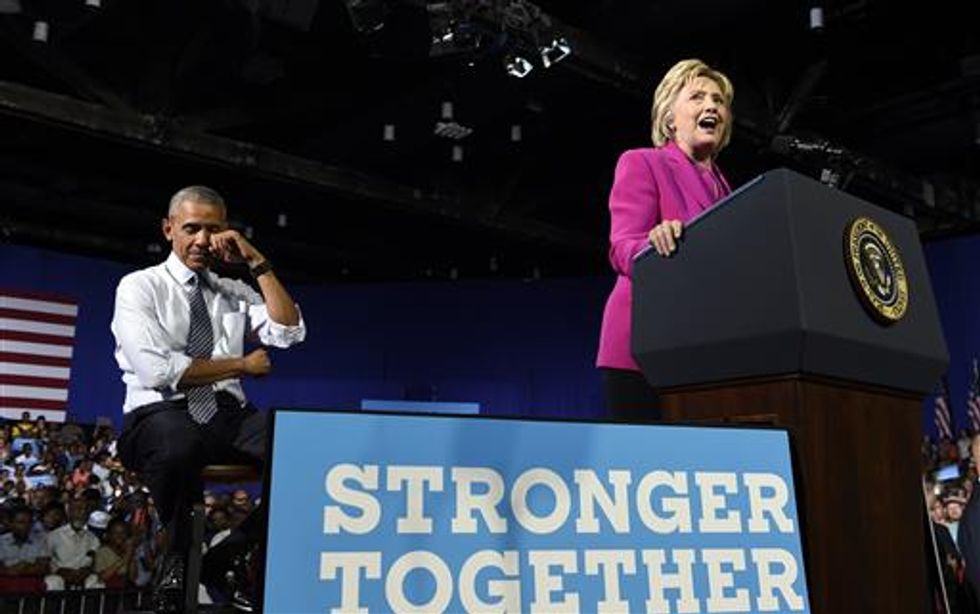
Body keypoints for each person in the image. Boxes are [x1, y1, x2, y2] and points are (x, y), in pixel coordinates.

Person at [111, 185, 306, 600]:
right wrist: (240, 364)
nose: (202, 240)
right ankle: (179, 563)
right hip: (159, 413)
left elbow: (290, 332)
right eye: (191, 228)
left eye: (212, 229)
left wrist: (255, 262)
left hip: (227, 414)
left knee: (307, 458)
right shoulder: (139, 287)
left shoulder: (233, 291)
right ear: (169, 229)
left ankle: (223, 558)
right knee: (178, 445)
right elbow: (159, 370)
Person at [596, 58, 734, 420]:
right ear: (670, 117)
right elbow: (622, 248)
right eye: (697, 97)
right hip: (643, 347)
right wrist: (654, 243)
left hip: (705, 349)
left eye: (719, 101)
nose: (711, 107)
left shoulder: (730, 193)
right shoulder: (642, 162)